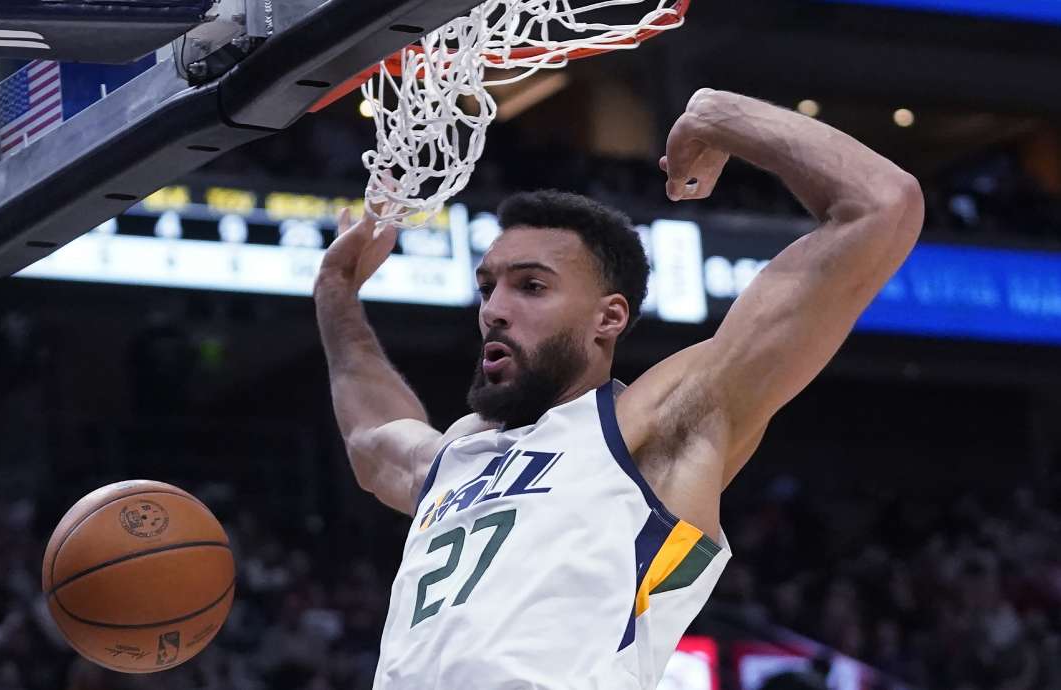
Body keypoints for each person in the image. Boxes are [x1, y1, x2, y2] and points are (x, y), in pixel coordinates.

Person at [313, 88, 924, 689]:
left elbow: (882, 206)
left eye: (531, 286)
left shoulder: (656, 425)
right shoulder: (459, 458)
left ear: (608, 317)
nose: (493, 310)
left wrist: (721, 118)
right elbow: (371, 438)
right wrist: (337, 287)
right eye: (488, 287)